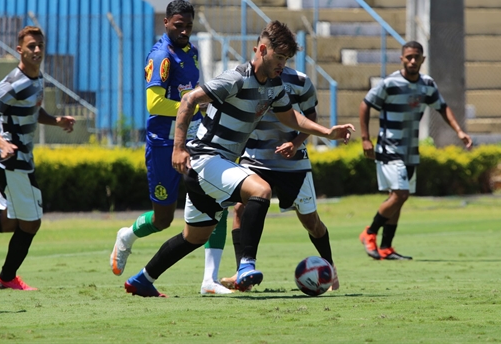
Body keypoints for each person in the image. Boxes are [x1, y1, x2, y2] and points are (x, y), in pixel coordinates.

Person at [123, 20, 354, 297]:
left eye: (286, 59)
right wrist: (178, 148)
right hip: (205, 159)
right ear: (262, 50)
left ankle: (142, 279)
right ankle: (246, 265)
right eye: (279, 57)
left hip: (216, 165)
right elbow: (189, 101)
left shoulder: (274, 86)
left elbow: (291, 117)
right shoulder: (236, 78)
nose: (282, 63)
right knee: (261, 191)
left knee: (194, 237)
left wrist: (327, 132)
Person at [108, 0, 232, 294]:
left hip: (195, 143)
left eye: (189, 25)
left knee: (219, 200)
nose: (185, 31)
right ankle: (127, 236)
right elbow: (154, 102)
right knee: (163, 219)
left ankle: (209, 281)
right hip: (164, 145)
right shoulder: (162, 55)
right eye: (179, 25)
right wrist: (191, 106)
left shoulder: (191, 52)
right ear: (166, 23)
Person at [219, 66, 339, 291]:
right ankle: (242, 274)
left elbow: (310, 116)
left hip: (293, 163)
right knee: (240, 210)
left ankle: (329, 268)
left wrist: (295, 143)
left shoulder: (301, 81)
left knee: (311, 223)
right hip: (255, 158)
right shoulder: (243, 78)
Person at [359, 41, 472, 260]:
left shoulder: (427, 84)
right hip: (389, 148)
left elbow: (442, 107)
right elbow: (366, 104)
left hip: (410, 150)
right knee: (401, 194)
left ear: (423, 59)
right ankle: (369, 232)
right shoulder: (390, 83)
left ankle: (386, 247)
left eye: (416, 57)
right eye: (408, 57)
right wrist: (365, 138)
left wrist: (459, 131)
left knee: (398, 198)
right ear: (402, 59)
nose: (412, 61)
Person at [0, 26, 75, 290]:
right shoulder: (12, 83)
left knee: (10, 221)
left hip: (21, 159)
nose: (37, 50)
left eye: (40, 46)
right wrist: (2, 143)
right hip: (12, 162)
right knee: (31, 222)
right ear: (19, 49)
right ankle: (7, 277)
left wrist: (56, 121)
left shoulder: (37, 78)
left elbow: (33, 111)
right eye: (31, 46)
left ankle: (7, 277)